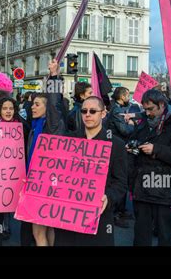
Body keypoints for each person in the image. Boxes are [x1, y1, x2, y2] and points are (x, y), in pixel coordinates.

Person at [54, 96, 128, 246]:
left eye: (93, 111)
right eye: (84, 111)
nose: (87, 114)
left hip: (98, 217)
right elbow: (54, 173)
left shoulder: (116, 144)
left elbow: (121, 183)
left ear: (103, 114)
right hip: (67, 215)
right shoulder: (68, 141)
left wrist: (109, 197)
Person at [128, 89, 171, 246]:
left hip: (165, 184)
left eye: (151, 109)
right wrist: (132, 147)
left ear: (162, 105)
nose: (148, 113)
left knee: (165, 233)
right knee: (141, 234)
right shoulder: (143, 122)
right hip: (142, 184)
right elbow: (134, 140)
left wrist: (156, 150)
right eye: (145, 109)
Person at [27, 59, 65, 246]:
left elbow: (55, 104)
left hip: (44, 183)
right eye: (32, 104)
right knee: (48, 228)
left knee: (38, 232)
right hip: (41, 181)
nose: (32, 107)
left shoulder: (51, 125)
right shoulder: (35, 127)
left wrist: (54, 77)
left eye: (37, 104)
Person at [0, 97, 30, 246]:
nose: (8, 111)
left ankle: (25, 242)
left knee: (23, 213)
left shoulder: (22, 126)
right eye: (5, 108)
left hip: (16, 177)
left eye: (11, 108)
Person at [106, 86, 136, 228]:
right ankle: (115, 214)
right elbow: (124, 130)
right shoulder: (117, 110)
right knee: (119, 178)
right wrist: (132, 124)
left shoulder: (119, 108)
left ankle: (121, 210)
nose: (129, 97)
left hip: (121, 147)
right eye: (127, 94)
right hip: (118, 148)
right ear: (121, 96)